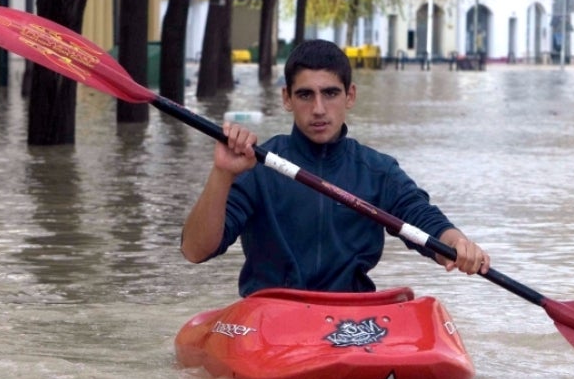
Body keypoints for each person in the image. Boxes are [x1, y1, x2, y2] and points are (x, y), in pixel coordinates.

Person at [181, 39, 490, 297]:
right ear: (287, 98)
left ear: (350, 96)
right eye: (305, 94)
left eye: (330, 93)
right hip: (272, 317)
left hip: (351, 319)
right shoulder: (256, 167)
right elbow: (195, 251)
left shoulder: (377, 171)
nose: (318, 109)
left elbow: (425, 221)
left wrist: (457, 244)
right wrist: (222, 173)